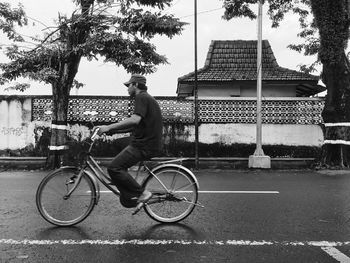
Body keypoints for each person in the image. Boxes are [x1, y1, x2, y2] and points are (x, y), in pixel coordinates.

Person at [96, 74, 163, 211]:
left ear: (136, 85)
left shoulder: (142, 97)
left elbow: (134, 120)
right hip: (145, 141)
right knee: (117, 144)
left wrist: (109, 127)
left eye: (129, 85)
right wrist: (113, 132)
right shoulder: (145, 98)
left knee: (114, 168)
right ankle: (128, 190)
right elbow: (135, 125)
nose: (127, 89)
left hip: (144, 145)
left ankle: (142, 193)